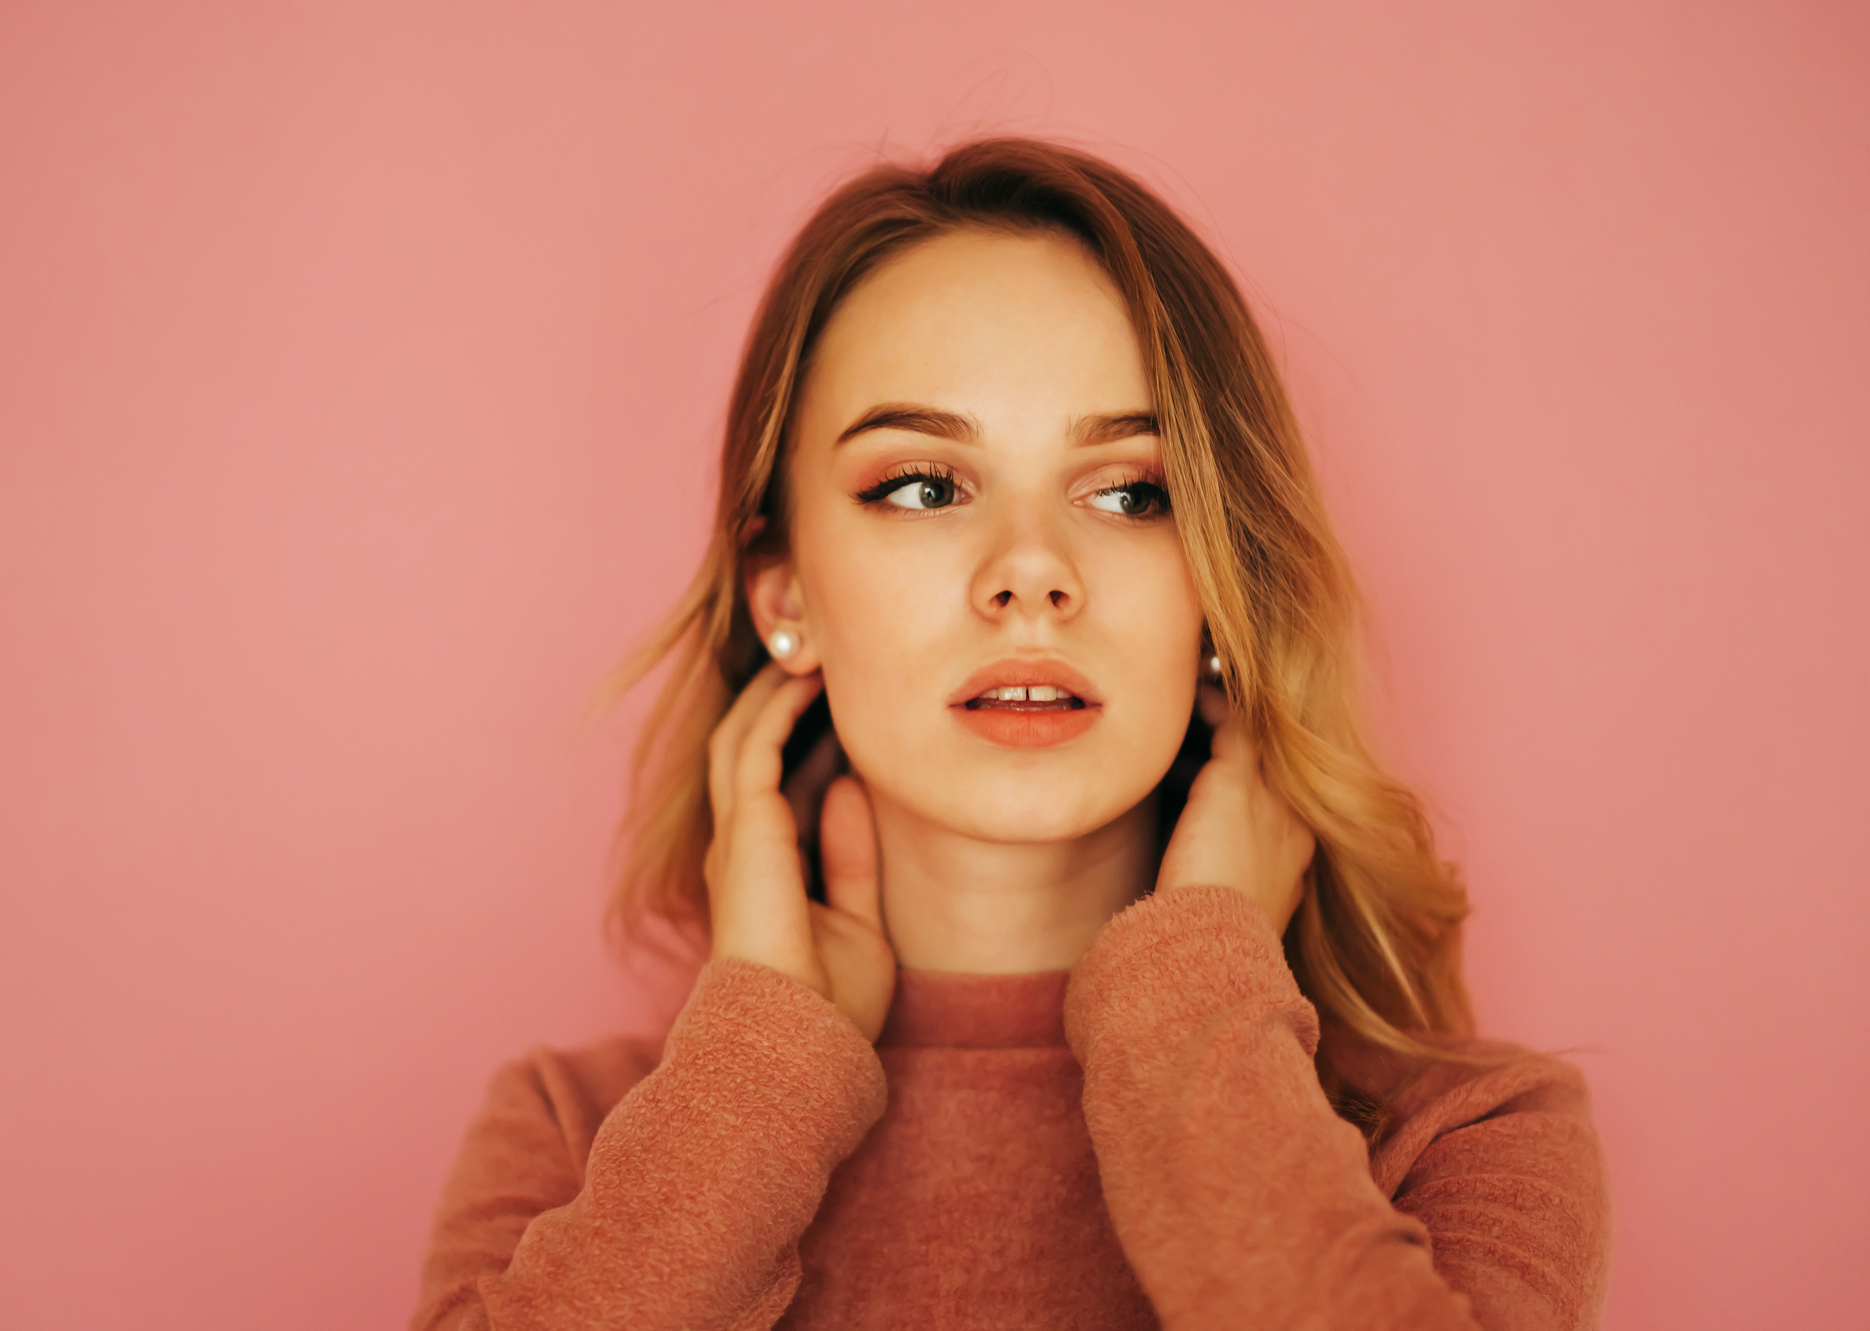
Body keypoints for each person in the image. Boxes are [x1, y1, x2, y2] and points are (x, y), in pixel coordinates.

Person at [408, 138, 1610, 1330]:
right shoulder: (573, 1139)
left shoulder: (1464, 1136)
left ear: (1217, 587)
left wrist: (1193, 1009)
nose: (1030, 572)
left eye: (1130, 491)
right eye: (924, 485)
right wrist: (754, 1076)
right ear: (785, 599)